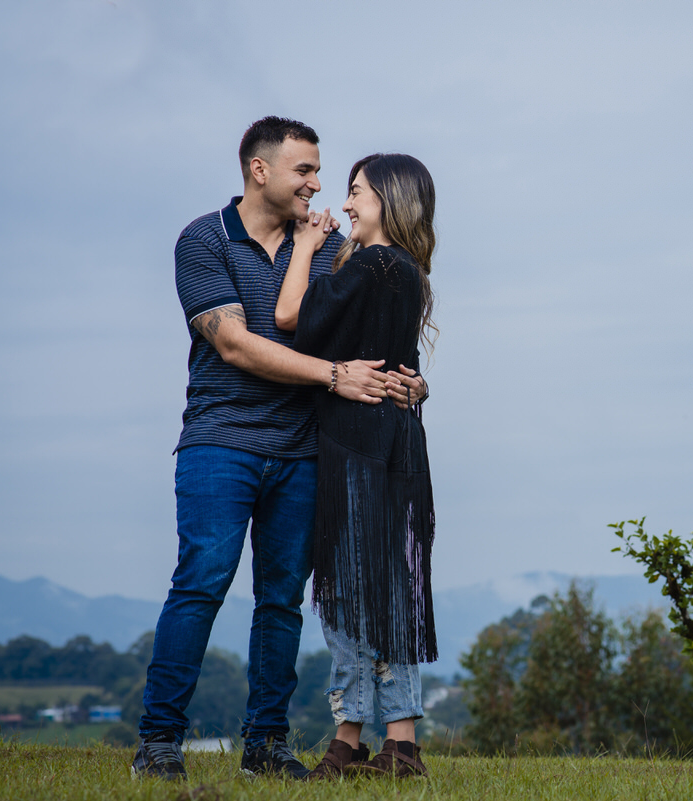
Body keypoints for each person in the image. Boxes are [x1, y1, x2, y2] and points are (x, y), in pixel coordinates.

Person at [130, 117, 426, 781]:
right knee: (202, 581)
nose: (317, 184)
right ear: (259, 170)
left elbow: (375, 327)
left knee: (282, 599)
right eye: (304, 171)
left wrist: (413, 382)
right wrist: (333, 375)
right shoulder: (205, 239)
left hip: (306, 449)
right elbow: (234, 343)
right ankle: (159, 741)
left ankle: (265, 745)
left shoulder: (331, 247)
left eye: (320, 171)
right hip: (222, 439)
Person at [272, 153, 438, 780]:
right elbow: (402, 366)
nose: (344, 204)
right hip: (396, 442)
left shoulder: (372, 263)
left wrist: (305, 247)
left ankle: (350, 741)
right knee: (388, 585)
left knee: (346, 589)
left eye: (357, 192)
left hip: (354, 444)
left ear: (389, 200)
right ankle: (397, 743)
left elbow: (290, 318)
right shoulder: (408, 272)